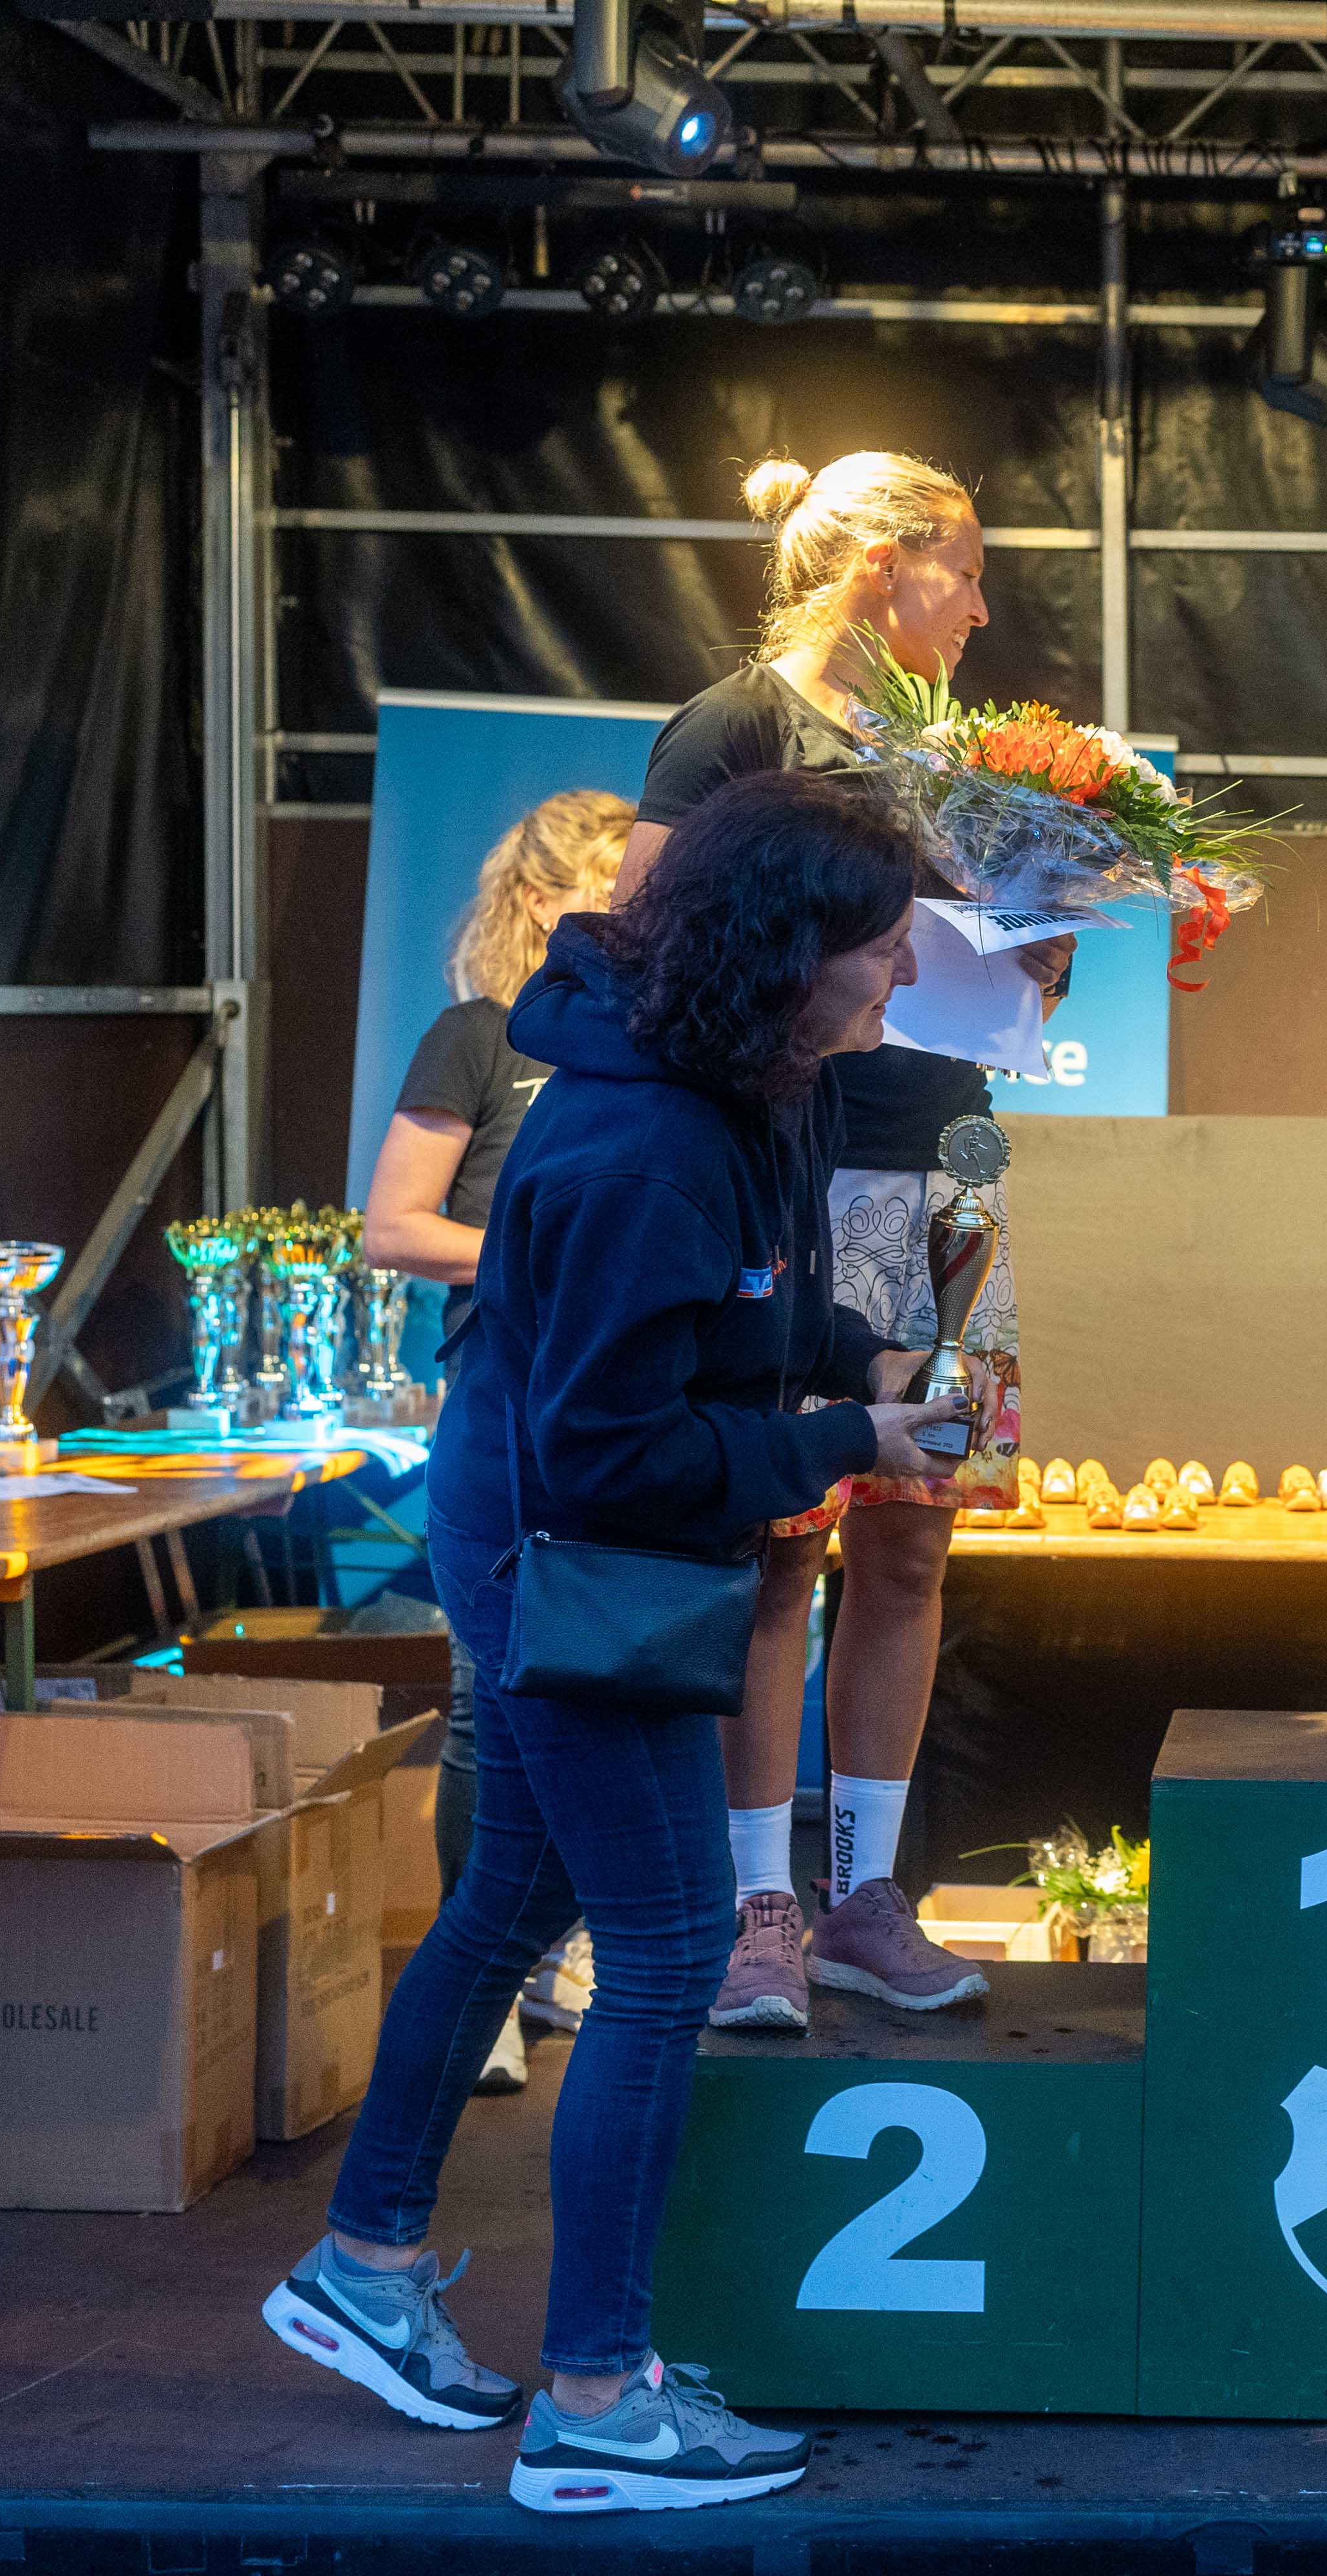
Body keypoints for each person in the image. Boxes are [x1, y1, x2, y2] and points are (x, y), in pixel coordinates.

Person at [263, 770, 966, 2515]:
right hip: (568, 1554)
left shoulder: (738, 1080)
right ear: (787, 950)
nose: (904, 976)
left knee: (513, 1896)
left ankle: (365, 2258)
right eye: (884, 947)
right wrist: (846, 1439)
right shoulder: (647, 1142)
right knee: (666, 1952)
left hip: (558, 1533)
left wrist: (858, 1354)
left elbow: (737, 1311)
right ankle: (596, 2398)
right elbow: (610, 1451)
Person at [622, 450, 1054, 2035]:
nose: (982, 605)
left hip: (948, 1164)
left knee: (916, 1533)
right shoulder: (735, 725)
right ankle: (757, 1905)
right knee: (779, 1536)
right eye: (967, 569)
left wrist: (1036, 945)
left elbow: (987, 945)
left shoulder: (953, 751)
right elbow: (641, 937)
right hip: (796, 1170)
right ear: (883, 566)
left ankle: (867, 1893)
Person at [359, 786, 633, 2098]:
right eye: (611, 888)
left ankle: (557, 1954)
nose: (637, 911)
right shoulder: (477, 1037)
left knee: (608, 1683)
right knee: (491, 1699)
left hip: (627, 1395)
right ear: (540, 902)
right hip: (506, 1398)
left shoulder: (652, 1046)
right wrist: (541, 1262)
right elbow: (394, 1226)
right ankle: (490, 1981)